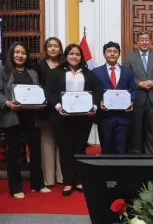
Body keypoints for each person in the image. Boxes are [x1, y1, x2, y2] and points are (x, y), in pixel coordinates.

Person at [0, 42, 50, 199]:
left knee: (36, 151)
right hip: (12, 117)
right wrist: (8, 103)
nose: (19, 55)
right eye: (17, 52)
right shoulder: (1, 71)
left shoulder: (32, 73)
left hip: (31, 117)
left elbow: (38, 91)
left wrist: (41, 102)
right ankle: (16, 187)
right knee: (14, 153)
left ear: (27, 55)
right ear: (11, 54)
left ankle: (38, 184)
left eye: (23, 53)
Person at [46, 44, 102, 196]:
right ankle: (67, 182)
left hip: (83, 119)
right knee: (65, 150)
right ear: (66, 55)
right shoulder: (56, 73)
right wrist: (58, 107)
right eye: (71, 54)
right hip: (62, 118)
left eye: (77, 54)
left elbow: (98, 91)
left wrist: (94, 107)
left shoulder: (88, 74)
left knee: (80, 150)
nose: (74, 57)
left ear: (81, 57)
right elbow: (50, 92)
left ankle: (78, 180)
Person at [124, 31, 153, 154]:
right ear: (137, 42)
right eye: (142, 40)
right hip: (137, 97)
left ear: (150, 42)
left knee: (152, 128)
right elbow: (126, 74)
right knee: (136, 128)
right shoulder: (129, 56)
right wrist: (138, 83)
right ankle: (136, 154)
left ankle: (151, 154)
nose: (144, 42)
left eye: (146, 39)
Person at [93, 42, 137, 154]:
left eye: (115, 51)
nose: (112, 54)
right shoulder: (96, 72)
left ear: (119, 54)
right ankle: (106, 172)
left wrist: (132, 102)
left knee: (122, 150)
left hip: (123, 118)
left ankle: (121, 172)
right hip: (105, 118)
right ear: (104, 54)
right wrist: (99, 102)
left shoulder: (128, 72)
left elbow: (134, 90)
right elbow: (94, 91)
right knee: (106, 150)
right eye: (109, 51)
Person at [35, 37, 64, 187]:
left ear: (60, 48)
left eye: (56, 46)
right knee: (47, 143)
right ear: (46, 48)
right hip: (45, 109)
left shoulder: (66, 65)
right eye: (50, 46)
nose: (53, 48)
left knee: (63, 143)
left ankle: (62, 177)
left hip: (63, 109)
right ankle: (49, 179)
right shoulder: (39, 65)